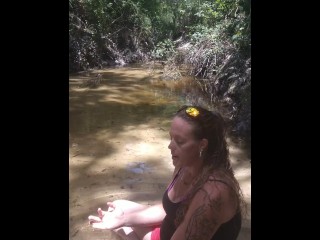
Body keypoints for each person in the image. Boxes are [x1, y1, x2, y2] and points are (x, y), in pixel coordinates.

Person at [88, 105, 246, 240]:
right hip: (170, 229)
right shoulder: (185, 163)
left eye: (180, 141)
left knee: (120, 228)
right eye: (171, 138)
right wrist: (125, 218)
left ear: (202, 145)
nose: (170, 146)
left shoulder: (212, 194)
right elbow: (168, 209)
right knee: (118, 208)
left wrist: (126, 226)